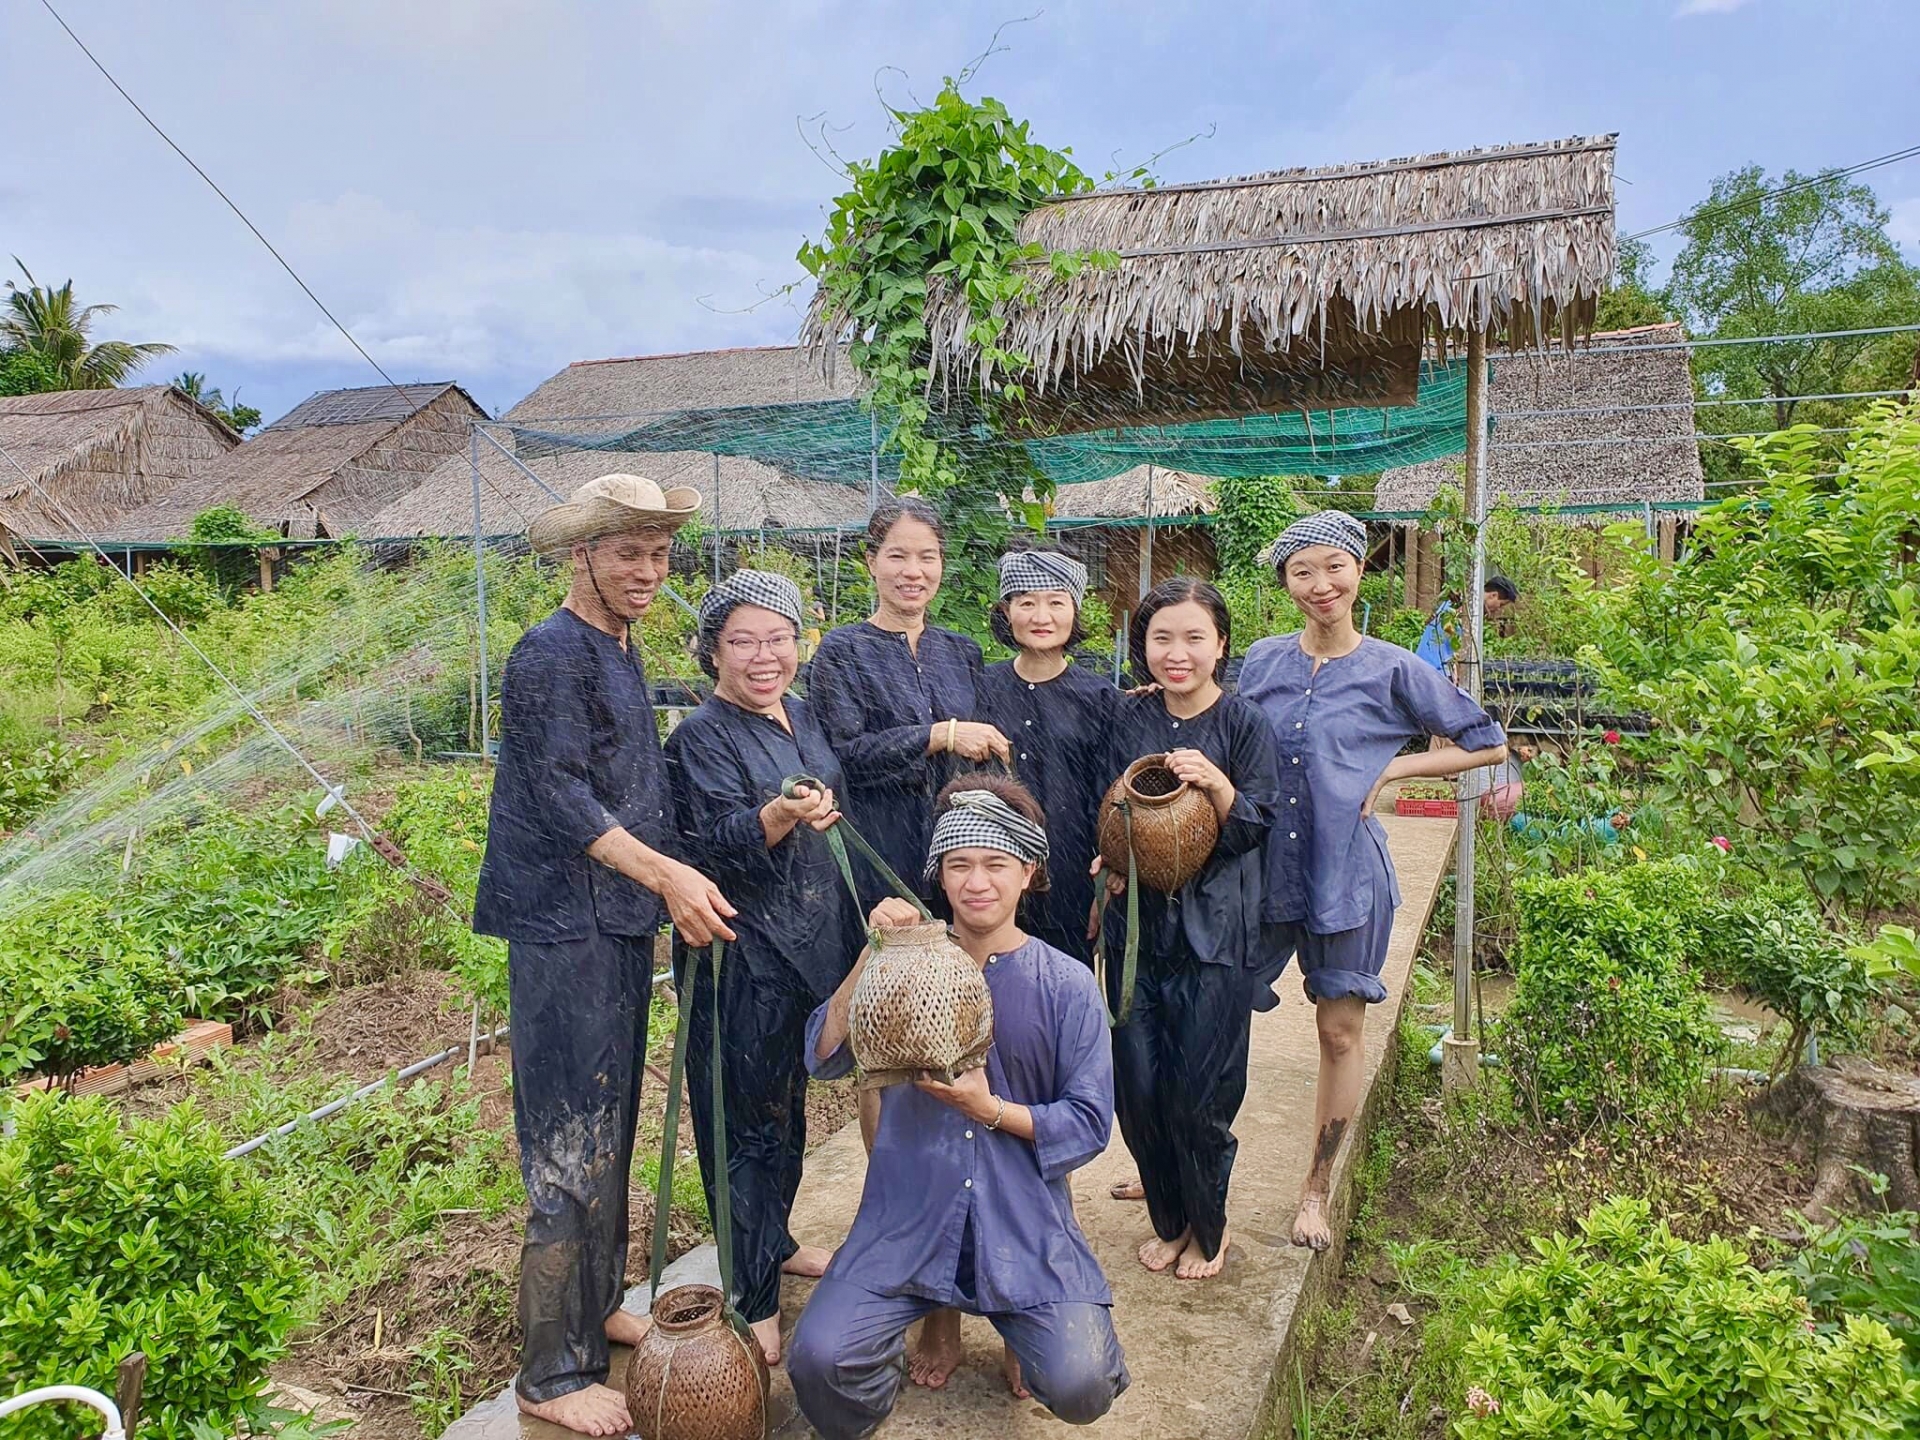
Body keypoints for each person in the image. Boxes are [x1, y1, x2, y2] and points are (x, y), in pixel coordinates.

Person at [473, 473, 737, 1437]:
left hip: (611, 925)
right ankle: (551, 1373)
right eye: (629, 553)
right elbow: (559, 795)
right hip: (560, 927)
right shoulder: (549, 652)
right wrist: (666, 875)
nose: (648, 572)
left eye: (660, 555)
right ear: (579, 554)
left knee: (610, 1128)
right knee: (568, 1151)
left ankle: (595, 1314)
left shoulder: (617, 649)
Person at [787, 779, 1130, 1436]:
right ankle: (899, 1355)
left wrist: (991, 1109)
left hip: (1022, 1225)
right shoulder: (904, 970)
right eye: (959, 864)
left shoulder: (1067, 984)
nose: (977, 882)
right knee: (819, 1360)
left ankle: (1021, 1329)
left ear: (1028, 873)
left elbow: (1088, 1124)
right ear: (939, 876)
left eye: (996, 864)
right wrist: (873, 953)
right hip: (907, 1221)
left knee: (1082, 1382)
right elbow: (823, 1056)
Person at [1239, 511, 1507, 1254]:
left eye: (1334, 566)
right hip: (1261, 870)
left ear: (1358, 571)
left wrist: (1395, 767)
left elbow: (1488, 745)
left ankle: (1315, 1189)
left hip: (1346, 874)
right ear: (1286, 582)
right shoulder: (1260, 661)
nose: (1320, 585)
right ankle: (1192, 1162)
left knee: (1338, 1029)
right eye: (1302, 571)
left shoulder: (1395, 669)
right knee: (1218, 1008)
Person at [662, 570, 855, 1367]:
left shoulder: (803, 717)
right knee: (740, 1126)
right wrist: (778, 814)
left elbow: (833, 802)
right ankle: (751, 1297)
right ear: (713, 652)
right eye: (742, 640)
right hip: (737, 957)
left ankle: (773, 1245)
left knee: (788, 1113)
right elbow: (706, 848)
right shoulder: (697, 738)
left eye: (778, 638)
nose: (763, 655)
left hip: (807, 950)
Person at [1101, 578, 1280, 1282]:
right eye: (1162, 638)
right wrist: (1109, 858)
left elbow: (1258, 824)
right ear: (1142, 647)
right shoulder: (1129, 718)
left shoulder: (1243, 725)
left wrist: (1219, 786)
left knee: (1200, 1092)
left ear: (1221, 645)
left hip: (1216, 934)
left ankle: (1210, 1226)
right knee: (1140, 1088)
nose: (1178, 654)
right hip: (1137, 932)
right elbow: (1104, 804)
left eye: (1194, 638)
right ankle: (1169, 1221)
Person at [807, 498, 1010, 909]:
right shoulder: (842, 651)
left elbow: (986, 753)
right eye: (897, 556)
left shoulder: (961, 652)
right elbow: (845, 755)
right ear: (871, 561)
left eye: (927, 557)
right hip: (878, 846)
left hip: (958, 847)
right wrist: (939, 735)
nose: (913, 572)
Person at [974, 549, 1117, 964]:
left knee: (1061, 996)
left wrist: (1103, 884)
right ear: (1007, 611)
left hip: (1071, 881)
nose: (1042, 616)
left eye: (1056, 602)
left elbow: (1109, 798)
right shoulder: (981, 687)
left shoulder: (1100, 698)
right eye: (1026, 602)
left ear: (1074, 611)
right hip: (994, 879)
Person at [1413, 574, 1520, 674]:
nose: (1498, 609)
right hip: (1434, 672)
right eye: (1500, 605)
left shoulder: (1461, 603)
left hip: (1427, 669)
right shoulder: (1464, 610)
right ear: (1493, 595)